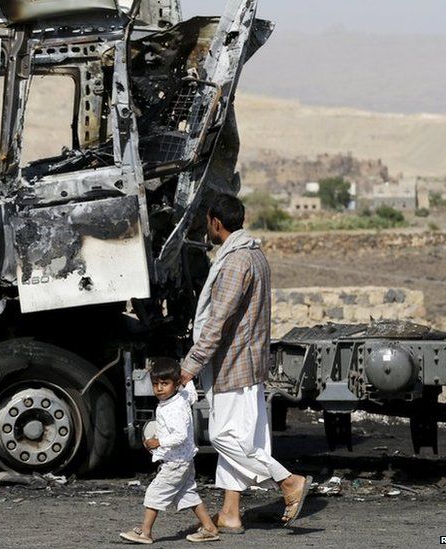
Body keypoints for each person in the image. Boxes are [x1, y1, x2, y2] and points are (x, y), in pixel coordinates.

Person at [179, 193, 311, 533]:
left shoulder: (236, 262)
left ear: (216, 223)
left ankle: (287, 481)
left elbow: (217, 321)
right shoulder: (254, 255)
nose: (206, 228)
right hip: (248, 363)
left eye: (208, 222)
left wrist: (191, 364)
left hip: (234, 364)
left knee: (223, 435)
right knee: (238, 438)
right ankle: (230, 514)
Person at [120, 358, 220, 544]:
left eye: (164, 384)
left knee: (154, 493)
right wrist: (187, 379)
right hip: (184, 460)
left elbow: (180, 436)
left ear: (175, 383)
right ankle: (209, 527)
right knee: (188, 494)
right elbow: (192, 394)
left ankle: (145, 532)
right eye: (155, 384)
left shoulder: (172, 408)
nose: (159, 388)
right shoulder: (182, 397)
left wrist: (158, 442)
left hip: (175, 462)